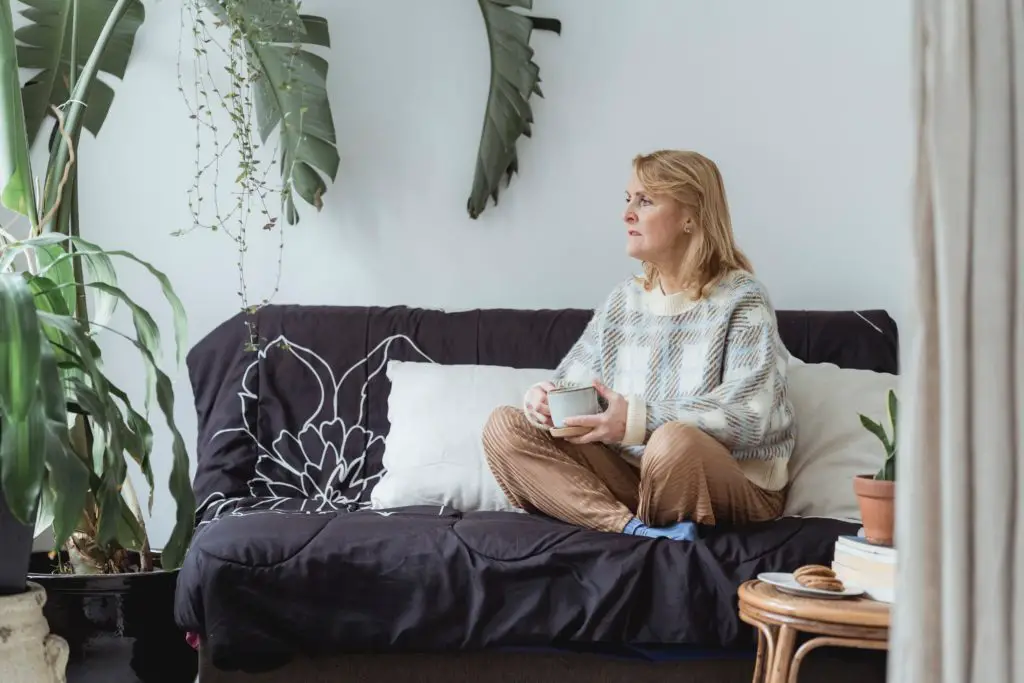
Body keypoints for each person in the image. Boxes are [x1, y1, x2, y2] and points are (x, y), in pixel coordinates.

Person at [481, 149, 795, 541]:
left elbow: (751, 416)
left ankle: (630, 524)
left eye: (644, 201)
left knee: (672, 442)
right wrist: (544, 402)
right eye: (627, 199)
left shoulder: (742, 299)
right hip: (636, 480)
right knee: (503, 426)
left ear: (690, 216)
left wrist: (638, 420)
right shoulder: (624, 299)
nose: (627, 213)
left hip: (729, 481)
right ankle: (634, 529)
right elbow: (573, 387)